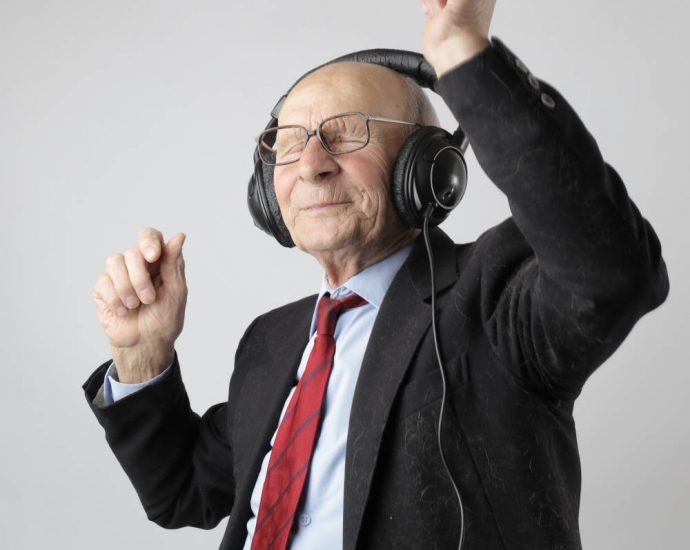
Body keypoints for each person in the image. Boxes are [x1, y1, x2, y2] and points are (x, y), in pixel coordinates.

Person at [84, 1, 669, 548]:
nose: (311, 165)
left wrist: (464, 51)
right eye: (287, 144)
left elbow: (611, 271)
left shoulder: (494, 296)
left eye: (346, 133)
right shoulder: (270, 342)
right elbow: (183, 490)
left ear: (429, 172)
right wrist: (142, 357)